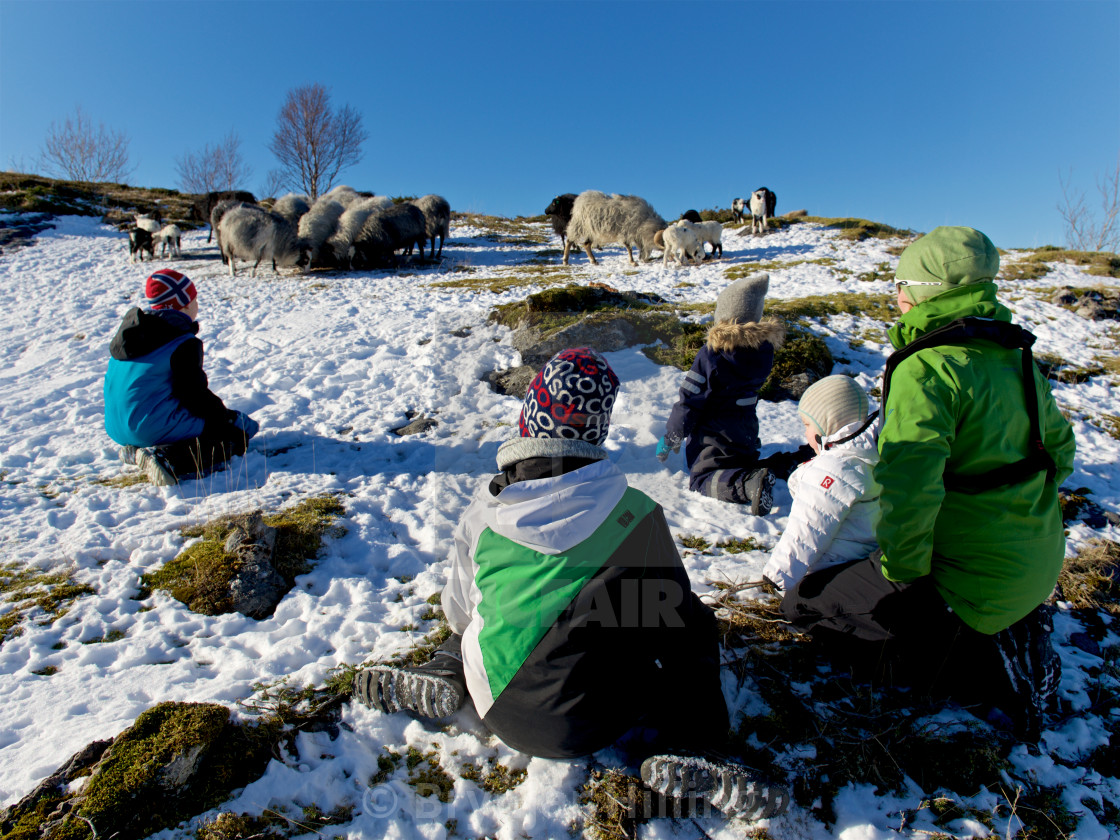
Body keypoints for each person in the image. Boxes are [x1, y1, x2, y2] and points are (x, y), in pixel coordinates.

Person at [353, 347, 788, 819]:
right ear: (597, 429)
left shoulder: (486, 508)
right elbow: (675, 622)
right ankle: (696, 740)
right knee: (690, 624)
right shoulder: (636, 513)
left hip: (498, 709)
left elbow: (457, 613)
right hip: (601, 720)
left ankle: (445, 670)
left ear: (530, 416)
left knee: (480, 615)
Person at [780, 227, 1077, 738]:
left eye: (903, 284)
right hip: (1040, 561)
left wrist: (907, 574)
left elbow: (910, 487)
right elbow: (1062, 457)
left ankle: (970, 668)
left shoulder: (924, 366)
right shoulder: (1016, 355)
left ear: (927, 290)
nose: (897, 296)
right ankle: (1009, 626)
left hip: (969, 576)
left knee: (806, 606)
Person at [103, 268, 259, 486]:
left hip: (116, 426)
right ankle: (168, 460)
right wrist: (226, 424)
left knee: (222, 423)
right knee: (230, 438)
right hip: (149, 425)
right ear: (185, 304)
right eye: (195, 300)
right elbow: (193, 395)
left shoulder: (130, 337)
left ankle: (137, 451)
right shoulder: (181, 342)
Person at [656, 273, 784, 514]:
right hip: (745, 431)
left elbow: (689, 401)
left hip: (713, 436)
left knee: (702, 479)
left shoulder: (712, 355)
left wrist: (673, 435)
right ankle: (769, 470)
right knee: (739, 463)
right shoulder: (763, 352)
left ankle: (749, 486)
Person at [761, 375, 880, 592]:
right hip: (861, 561)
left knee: (797, 606)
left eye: (807, 424)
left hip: (831, 569)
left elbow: (808, 529)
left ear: (828, 422)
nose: (805, 433)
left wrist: (777, 578)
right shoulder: (867, 456)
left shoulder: (833, 468)